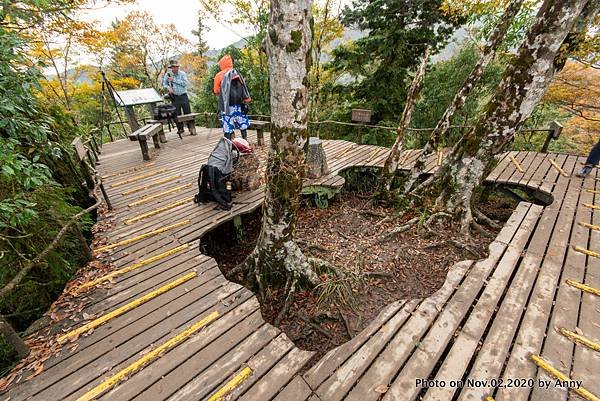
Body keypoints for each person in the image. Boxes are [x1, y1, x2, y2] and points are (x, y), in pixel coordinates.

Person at [213, 55, 251, 140]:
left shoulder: (219, 75)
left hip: (226, 107)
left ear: (221, 64)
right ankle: (245, 141)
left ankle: (228, 145)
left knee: (228, 127)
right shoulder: (237, 73)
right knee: (242, 124)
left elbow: (216, 90)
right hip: (238, 105)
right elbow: (244, 87)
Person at [163, 60, 191, 136]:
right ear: (171, 67)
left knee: (187, 111)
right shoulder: (168, 74)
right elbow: (164, 84)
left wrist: (174, 80)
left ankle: (190, 127)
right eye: (173, 67)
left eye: (176, 67)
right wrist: (168, 87)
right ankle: (180, 128)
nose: (175, 68)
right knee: (176, 113)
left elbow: (185, 84)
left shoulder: (182, 74)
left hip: (183, 95)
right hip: (174, 97)